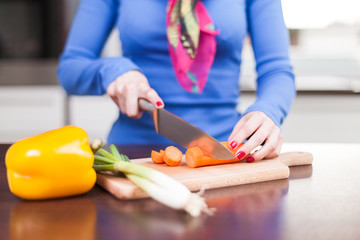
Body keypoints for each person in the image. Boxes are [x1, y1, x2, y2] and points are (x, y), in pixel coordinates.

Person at [57, 0, 296, 163]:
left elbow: (277, 70)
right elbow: (70, 68)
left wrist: (268, 110)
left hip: (224, 152)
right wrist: (114, 69)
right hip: (132, 156)